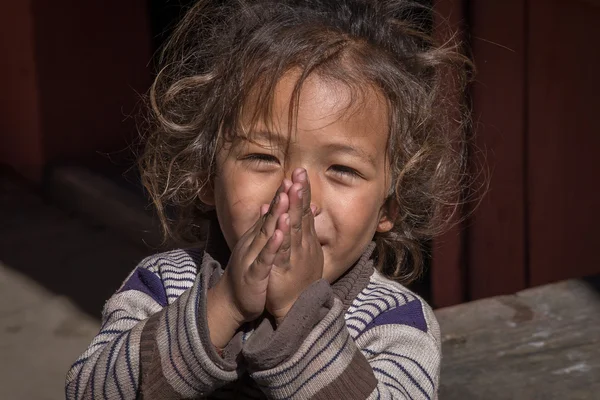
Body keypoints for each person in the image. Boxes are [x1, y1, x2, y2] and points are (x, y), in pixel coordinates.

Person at [66, 0, 472, 398]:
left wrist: (301, 314)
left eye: (343, 170)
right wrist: (223, 307)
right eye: (262, 157)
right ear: (207, 177)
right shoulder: (163, 285)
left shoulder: (394, 322)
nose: (295, 197)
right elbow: (89, 391)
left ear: (388, 207)